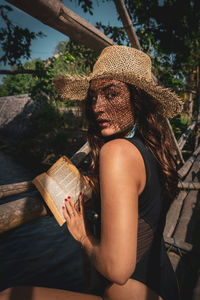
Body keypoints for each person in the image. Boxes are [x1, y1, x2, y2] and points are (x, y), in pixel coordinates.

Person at [0, 45, 183, 300]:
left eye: (111, 94)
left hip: (134, 291)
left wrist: (84, 235)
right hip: (162, 285)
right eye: (94, 96)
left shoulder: (117, 152)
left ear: (137, 99)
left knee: (11, 295)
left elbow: (118, 270)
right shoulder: (151, 149)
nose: (97, 106)